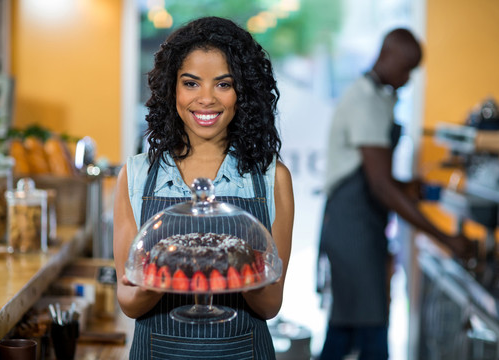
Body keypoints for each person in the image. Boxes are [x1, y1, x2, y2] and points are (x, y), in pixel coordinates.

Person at [113, 16, 294, 360]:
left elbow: (270, 304)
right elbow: (129, 302)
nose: (206, 99)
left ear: (244, 91)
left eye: (223, 84)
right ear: (172, 88)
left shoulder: (272, 177)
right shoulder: (136, 174)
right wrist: (168, 265)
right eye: (191, 84)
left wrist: (234, 263)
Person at [317, 28, 471, 359]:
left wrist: (405, 187)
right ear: (385, 56)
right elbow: (380, 186)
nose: (408, 77)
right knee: (370, 327)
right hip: (352, 227)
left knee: (346, 326)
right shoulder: (366, 101)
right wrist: (446, 238)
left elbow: (377, 175)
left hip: (357, 224)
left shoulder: (375, 96)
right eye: (405, 68)